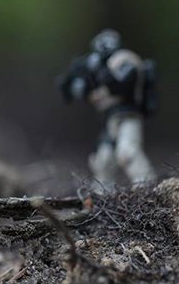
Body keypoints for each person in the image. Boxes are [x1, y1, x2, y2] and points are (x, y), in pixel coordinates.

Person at [59, 29, 157, 190]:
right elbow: (87, 93)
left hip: (128, 114)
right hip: (111, 118)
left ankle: (147, 189)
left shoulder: (124, 60)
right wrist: (77, 83)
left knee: (127, 152)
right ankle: (102, 196)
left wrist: (103, 73)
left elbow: (122, 85)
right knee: (103, 160)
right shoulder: (97, 66)